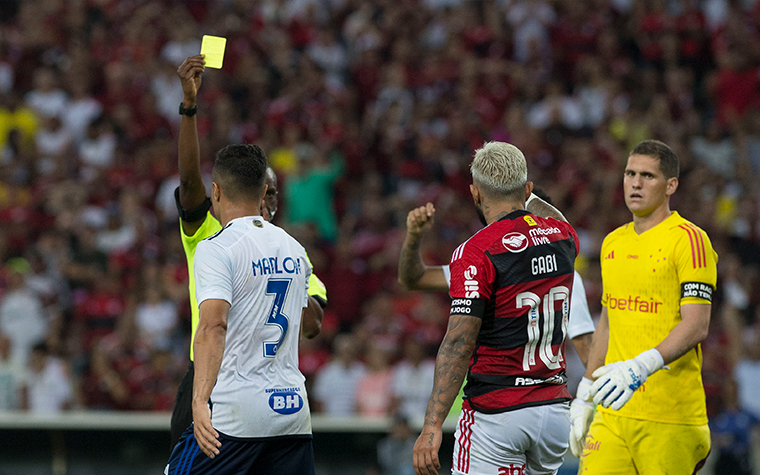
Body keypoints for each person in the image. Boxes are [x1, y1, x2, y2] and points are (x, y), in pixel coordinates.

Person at [169, 55, 327, 449]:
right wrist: (189, 109)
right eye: (264, 192)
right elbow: (190, 182)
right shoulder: (212, 231)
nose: (266, 201)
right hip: (215, 374)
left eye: (272, 193)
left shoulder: (292, 253)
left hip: (264, 382)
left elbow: (312, 325)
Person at [412, 142, 580, 475]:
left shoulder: (475, 252)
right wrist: (527, 197)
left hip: (498, 414)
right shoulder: (563, 236)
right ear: (528, 188)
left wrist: (432, 425)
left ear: (474, 193)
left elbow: (459, 344)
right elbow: (559, 221)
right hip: (555, 412)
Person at [165, 142, 315, 472]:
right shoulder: (294, 249)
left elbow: (213, 327)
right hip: (292, 409)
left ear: (215, 191)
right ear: (264, 192)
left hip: (237, 411)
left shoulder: (216, 248)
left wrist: (200, 399)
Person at [570, 140, 716, 474]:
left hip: (670, 416)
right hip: (613, 412)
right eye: (630, 173)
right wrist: (586, 392)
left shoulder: (690, 241)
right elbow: (608, 320)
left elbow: (697, 325)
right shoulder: (612, 243)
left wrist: (641, 366)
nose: (635, 183)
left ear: (671, 185)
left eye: (647, 176)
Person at [398, 191, 594, 367]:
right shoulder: (482, 266)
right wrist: (414, 238)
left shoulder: (482, 265)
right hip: (536, 395)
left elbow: (585, 349)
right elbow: (414, 279)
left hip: (505, 391)